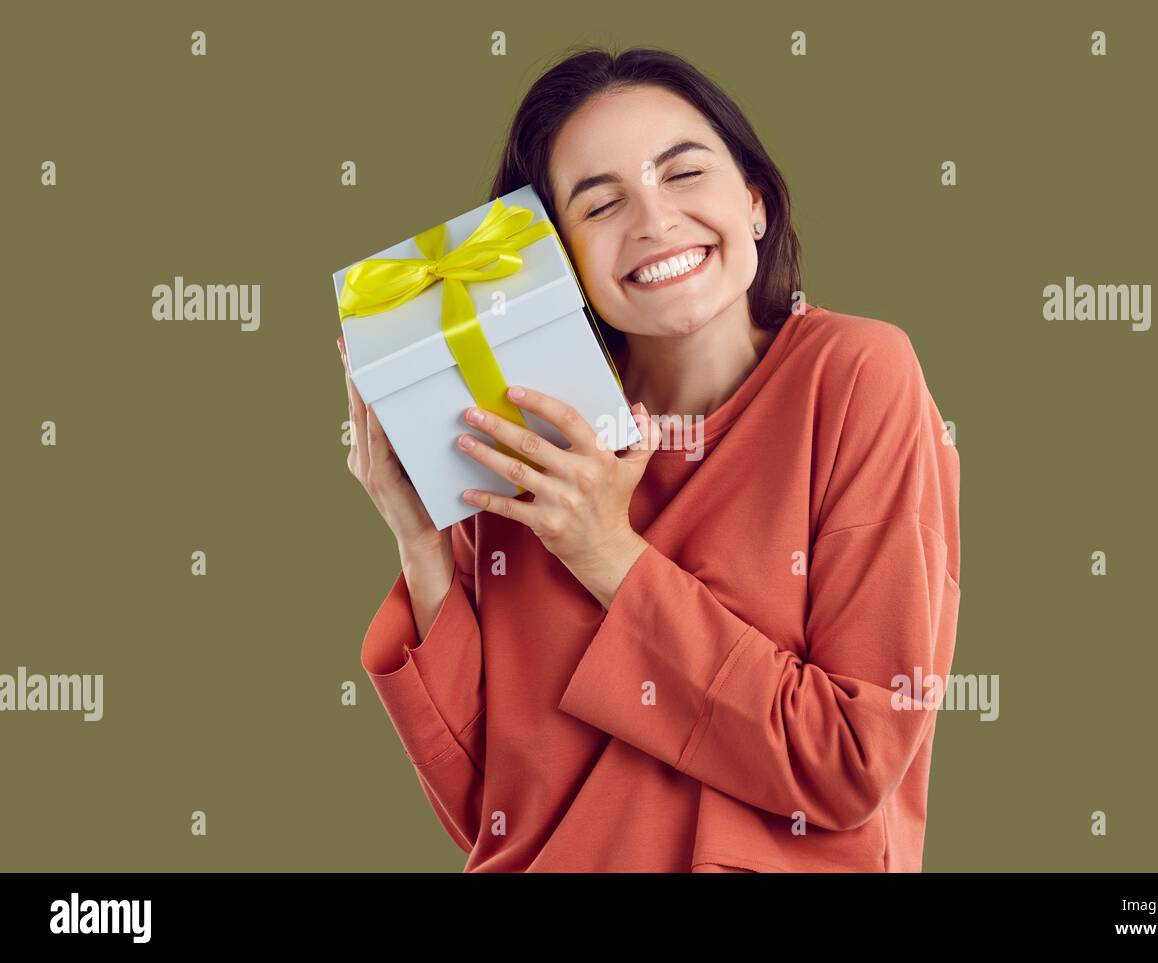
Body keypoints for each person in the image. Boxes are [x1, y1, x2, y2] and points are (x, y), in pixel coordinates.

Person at [339, 45, 961, 872]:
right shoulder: (530, 433)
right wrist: (422, 544)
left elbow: (848, 760)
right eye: (601, 205)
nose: (654, 220)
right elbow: (486, 810)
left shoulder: (855, 376)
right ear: (560, 263)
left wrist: (606, 552)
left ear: (756, 202)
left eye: (683, 173)